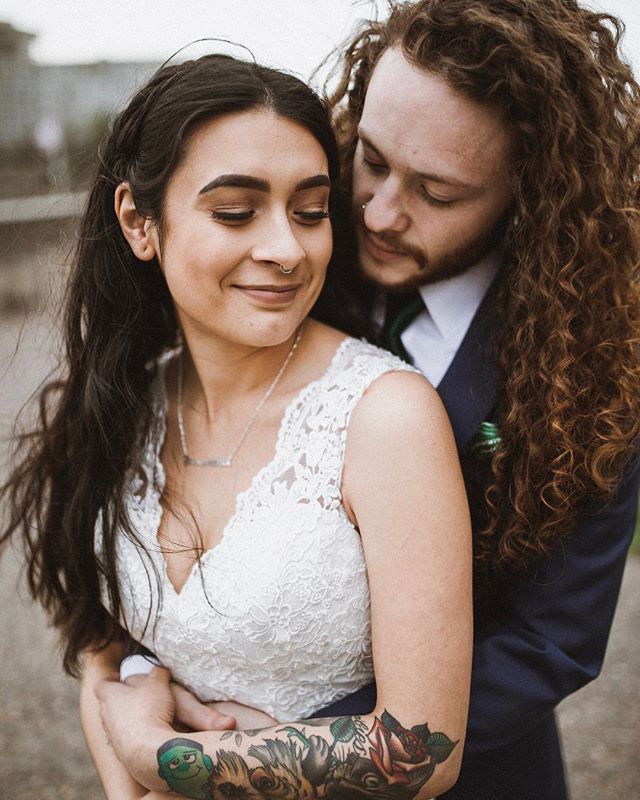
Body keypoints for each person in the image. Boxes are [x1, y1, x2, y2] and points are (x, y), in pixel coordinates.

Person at [0, 54, 472, 799]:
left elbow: (421, 748)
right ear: (138, 222)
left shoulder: (386, 418)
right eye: (235, 212)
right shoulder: (118, 401)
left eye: (311, 211)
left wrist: (164, 761)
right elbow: (102, 649)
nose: (287, 248)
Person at [306, 1, 640, 798]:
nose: (381, 214)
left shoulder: (602, 363)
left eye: (438, 193)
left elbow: (547, 645)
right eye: (374, 160)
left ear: (531, 190)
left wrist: (274, 746)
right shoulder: (290, 264)